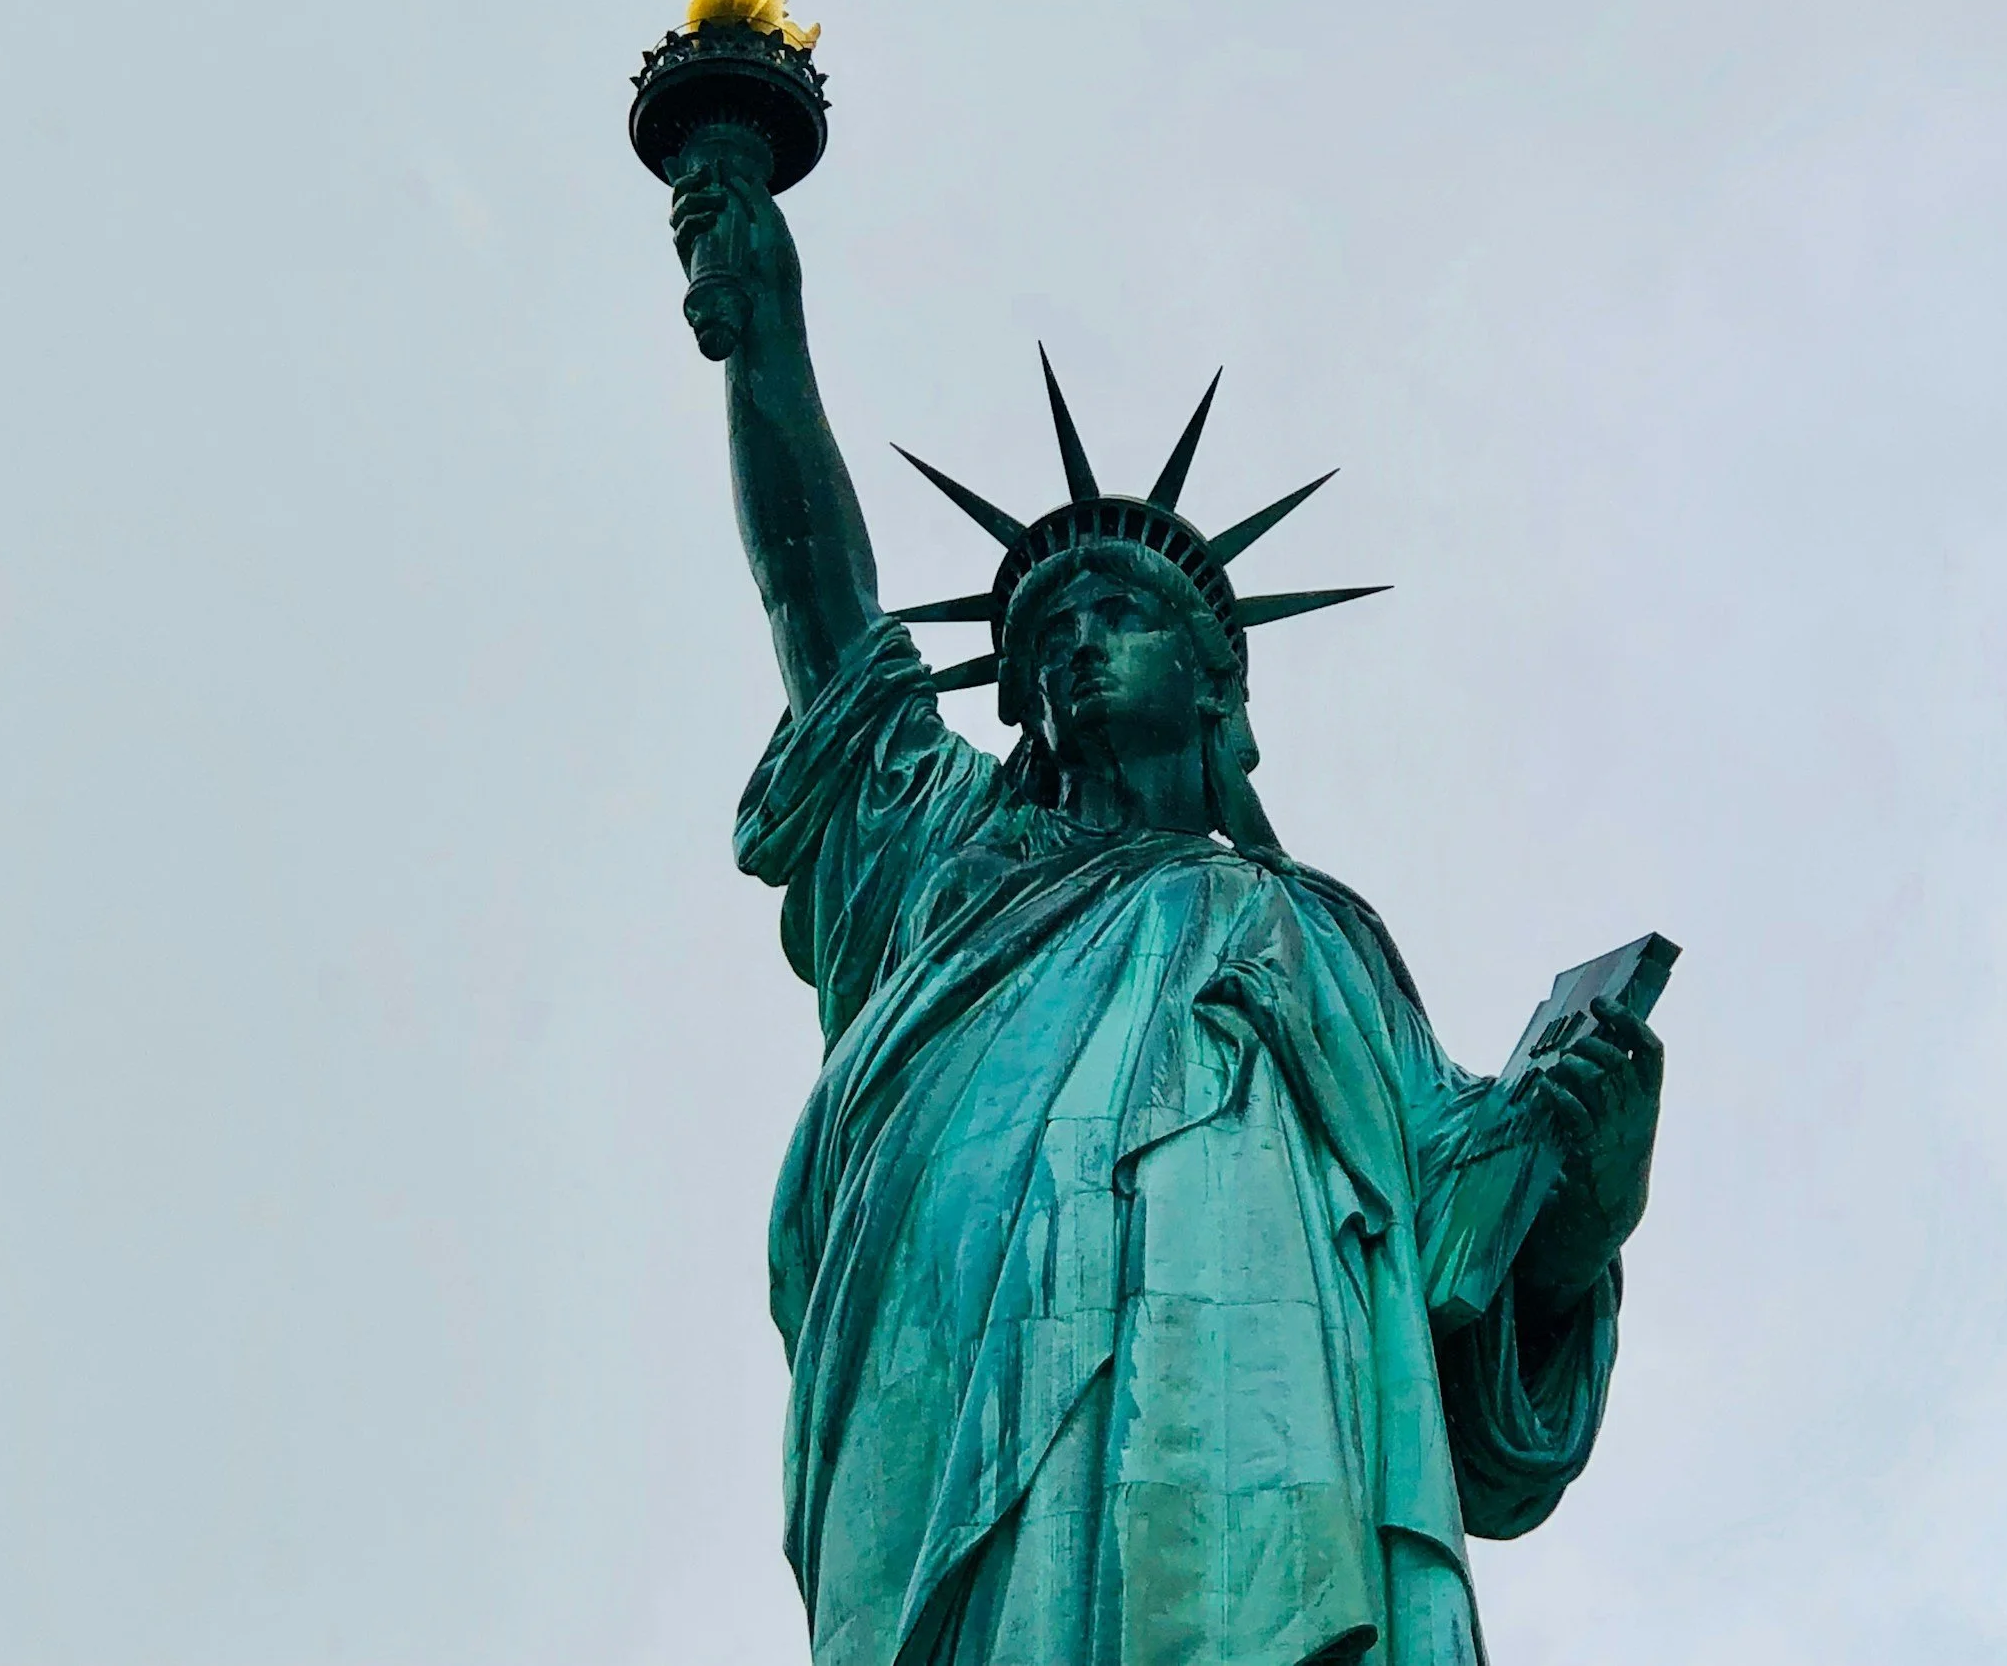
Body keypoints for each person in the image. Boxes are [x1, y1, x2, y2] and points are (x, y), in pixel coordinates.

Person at [667, 160, 1666, 1666]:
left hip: (1250, 1435)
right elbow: (823, 617)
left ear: (1215, 678)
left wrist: (1584, 1199)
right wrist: (768, 342)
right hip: (947, 1382)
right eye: (1043, 642)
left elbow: (1469, 1307)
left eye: (1114, 620)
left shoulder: (1313, 942)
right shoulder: (948, 855)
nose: (1073, 654)